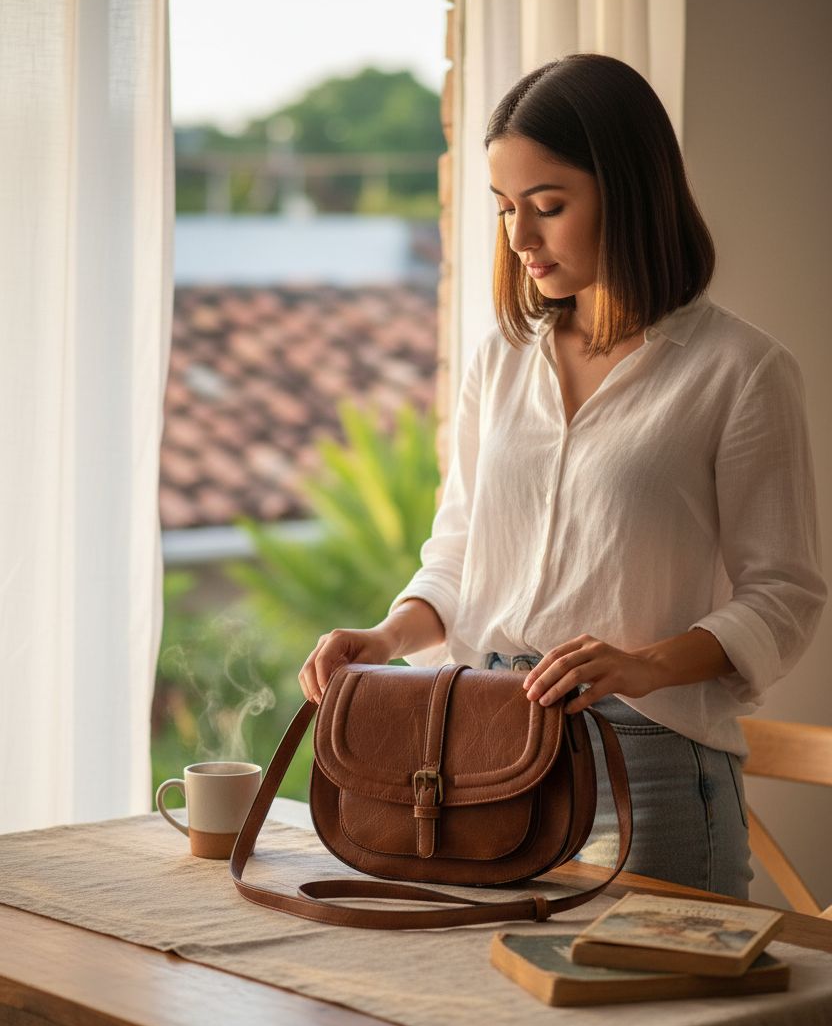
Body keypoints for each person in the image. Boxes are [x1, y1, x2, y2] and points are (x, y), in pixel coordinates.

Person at [299, 53, 826, 899]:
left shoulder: (743, 371)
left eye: (548, 206)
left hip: (647, 768)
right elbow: (462, 545)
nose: (519, 238)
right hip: (482, 750)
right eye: (507, 208)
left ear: (632, 191)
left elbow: (784, 596)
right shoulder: (501, 359)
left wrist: (644, 663)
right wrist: (391, 638)